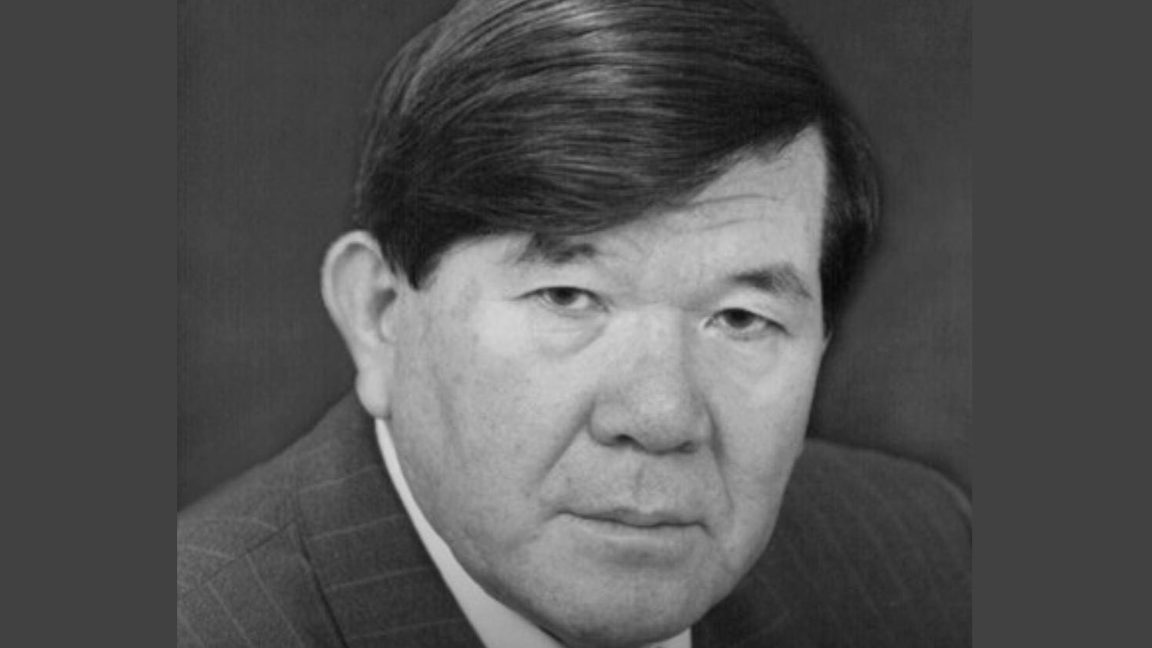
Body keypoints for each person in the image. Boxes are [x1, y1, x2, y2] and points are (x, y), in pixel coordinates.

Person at [176, 0, 971, 646]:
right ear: (381, 315)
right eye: (568, 297)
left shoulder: (920, 559)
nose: (660, 417)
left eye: (740, 317)